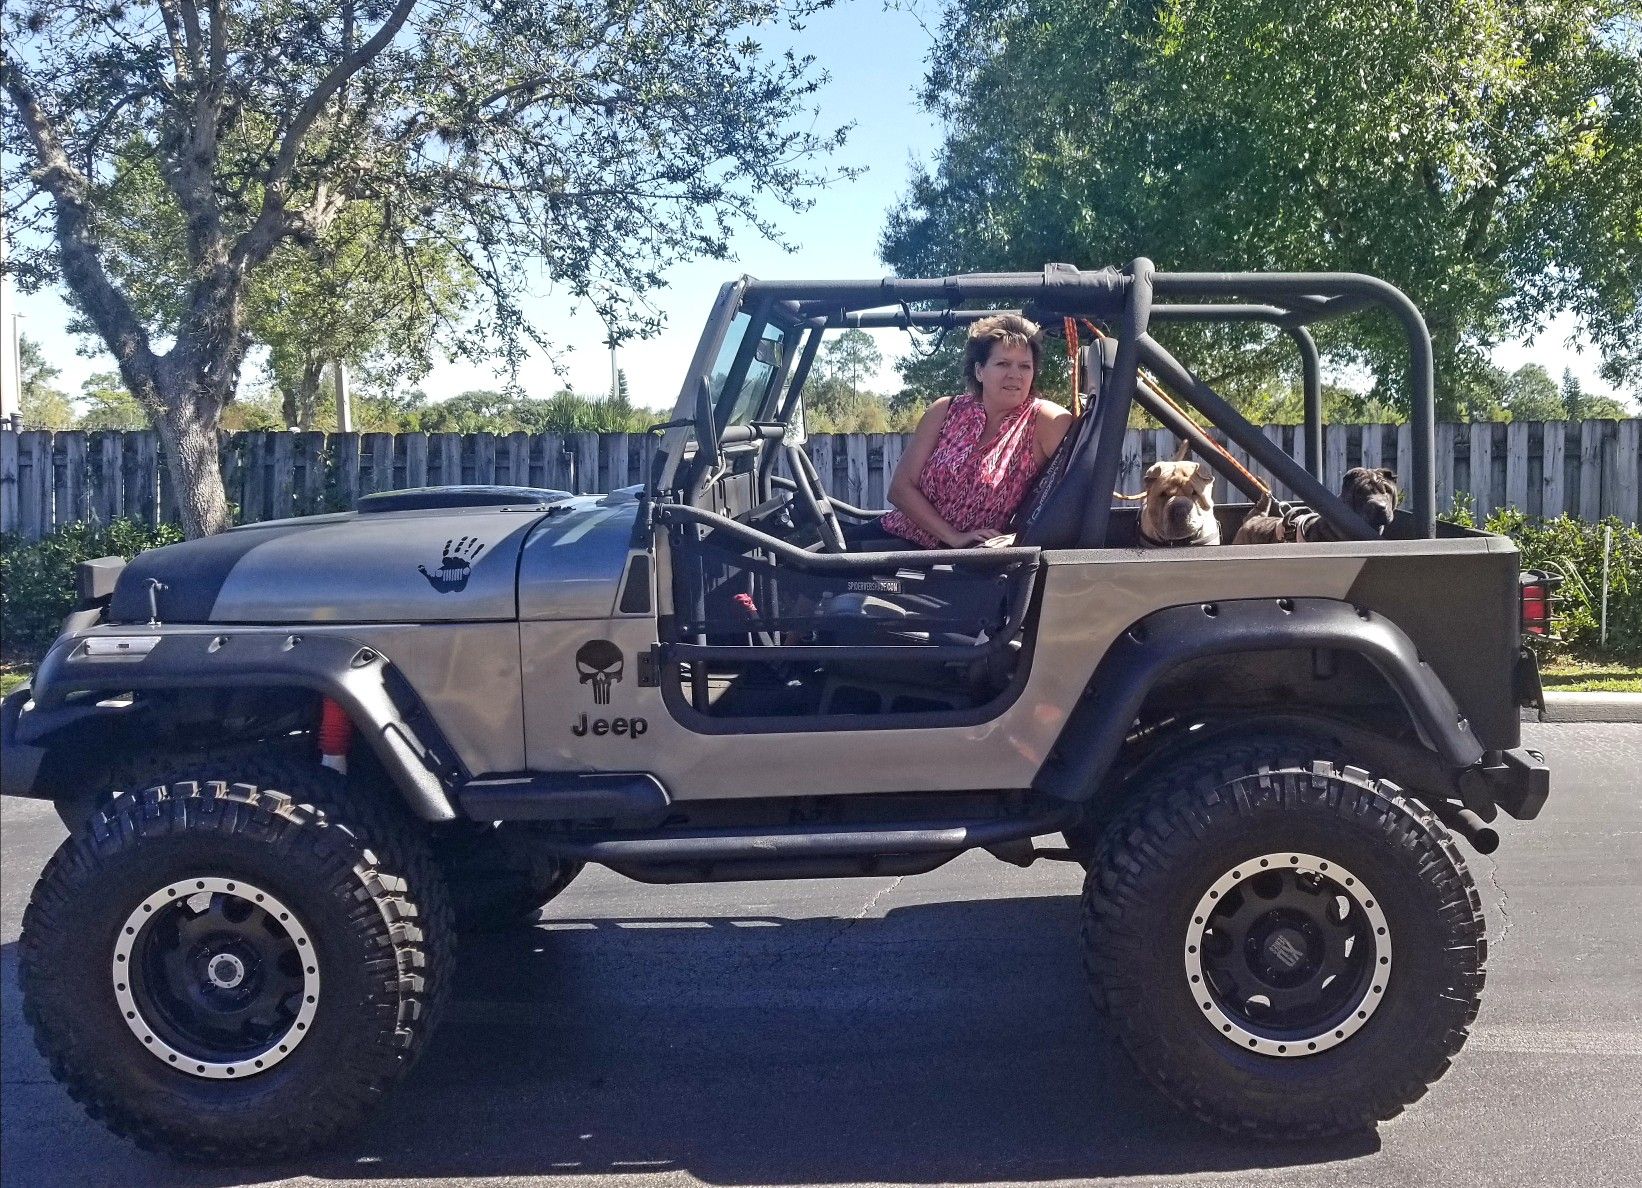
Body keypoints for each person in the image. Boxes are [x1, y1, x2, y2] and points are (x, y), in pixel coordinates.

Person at [871, 314, 1073, 549]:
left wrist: (1018, 537)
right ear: (979, 371)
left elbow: (1072, 499)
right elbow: (900, 489)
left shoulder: (1046, 421)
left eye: (1024, 366)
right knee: (823, 556)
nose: (1015, 375)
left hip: (968, 564)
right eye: (1003, 364)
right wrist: (953, 536)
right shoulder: (945, 410)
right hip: (899, 537)